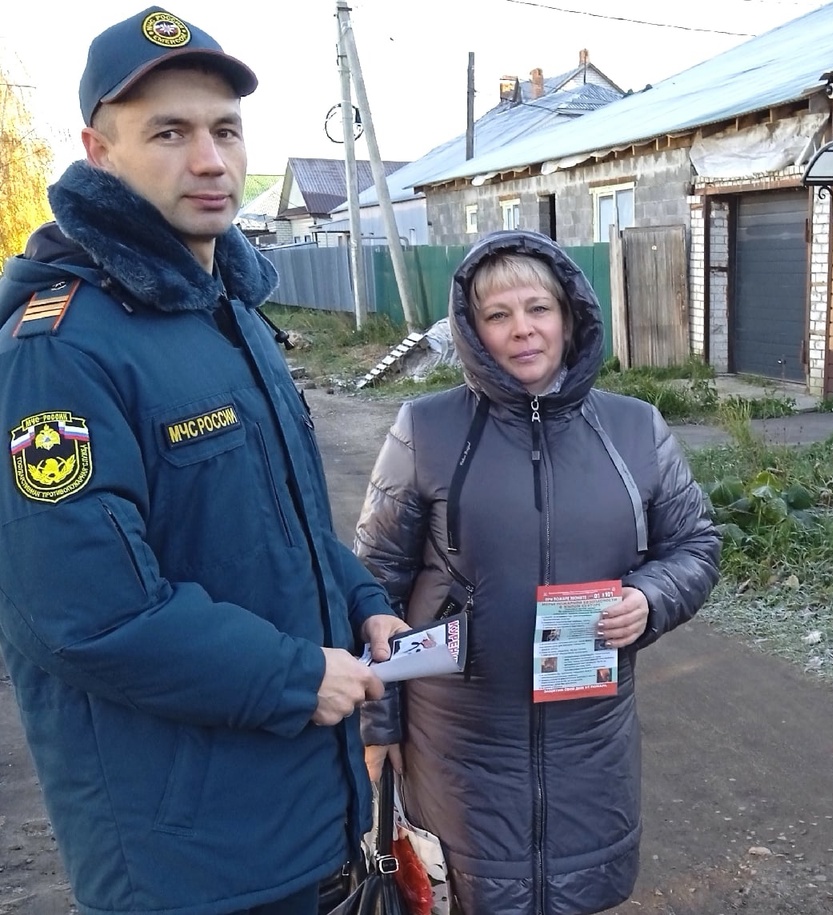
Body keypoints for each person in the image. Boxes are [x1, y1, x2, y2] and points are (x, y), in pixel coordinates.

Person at [0, 8, 407, 914]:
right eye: (169, 133)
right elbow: (84, 614)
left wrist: (363, 601)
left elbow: (280, 523)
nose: (211, 160)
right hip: (183, 862)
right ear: (98, 150)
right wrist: (295, 674)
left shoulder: (229, 316)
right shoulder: (60, 349)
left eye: (225, 130)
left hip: (299, 820)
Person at [356, 229, 721, 915]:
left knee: (582, 893)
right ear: (472, 329)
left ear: (569, 315)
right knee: (462, 899)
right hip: (457, 746)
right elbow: (370, 584)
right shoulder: (426, 430)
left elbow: (696, 544)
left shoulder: (635, 428)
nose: (522, 330)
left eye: (537, 309)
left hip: (591, 741)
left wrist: (649, 598)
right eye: (498, 316)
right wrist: (380, 726)